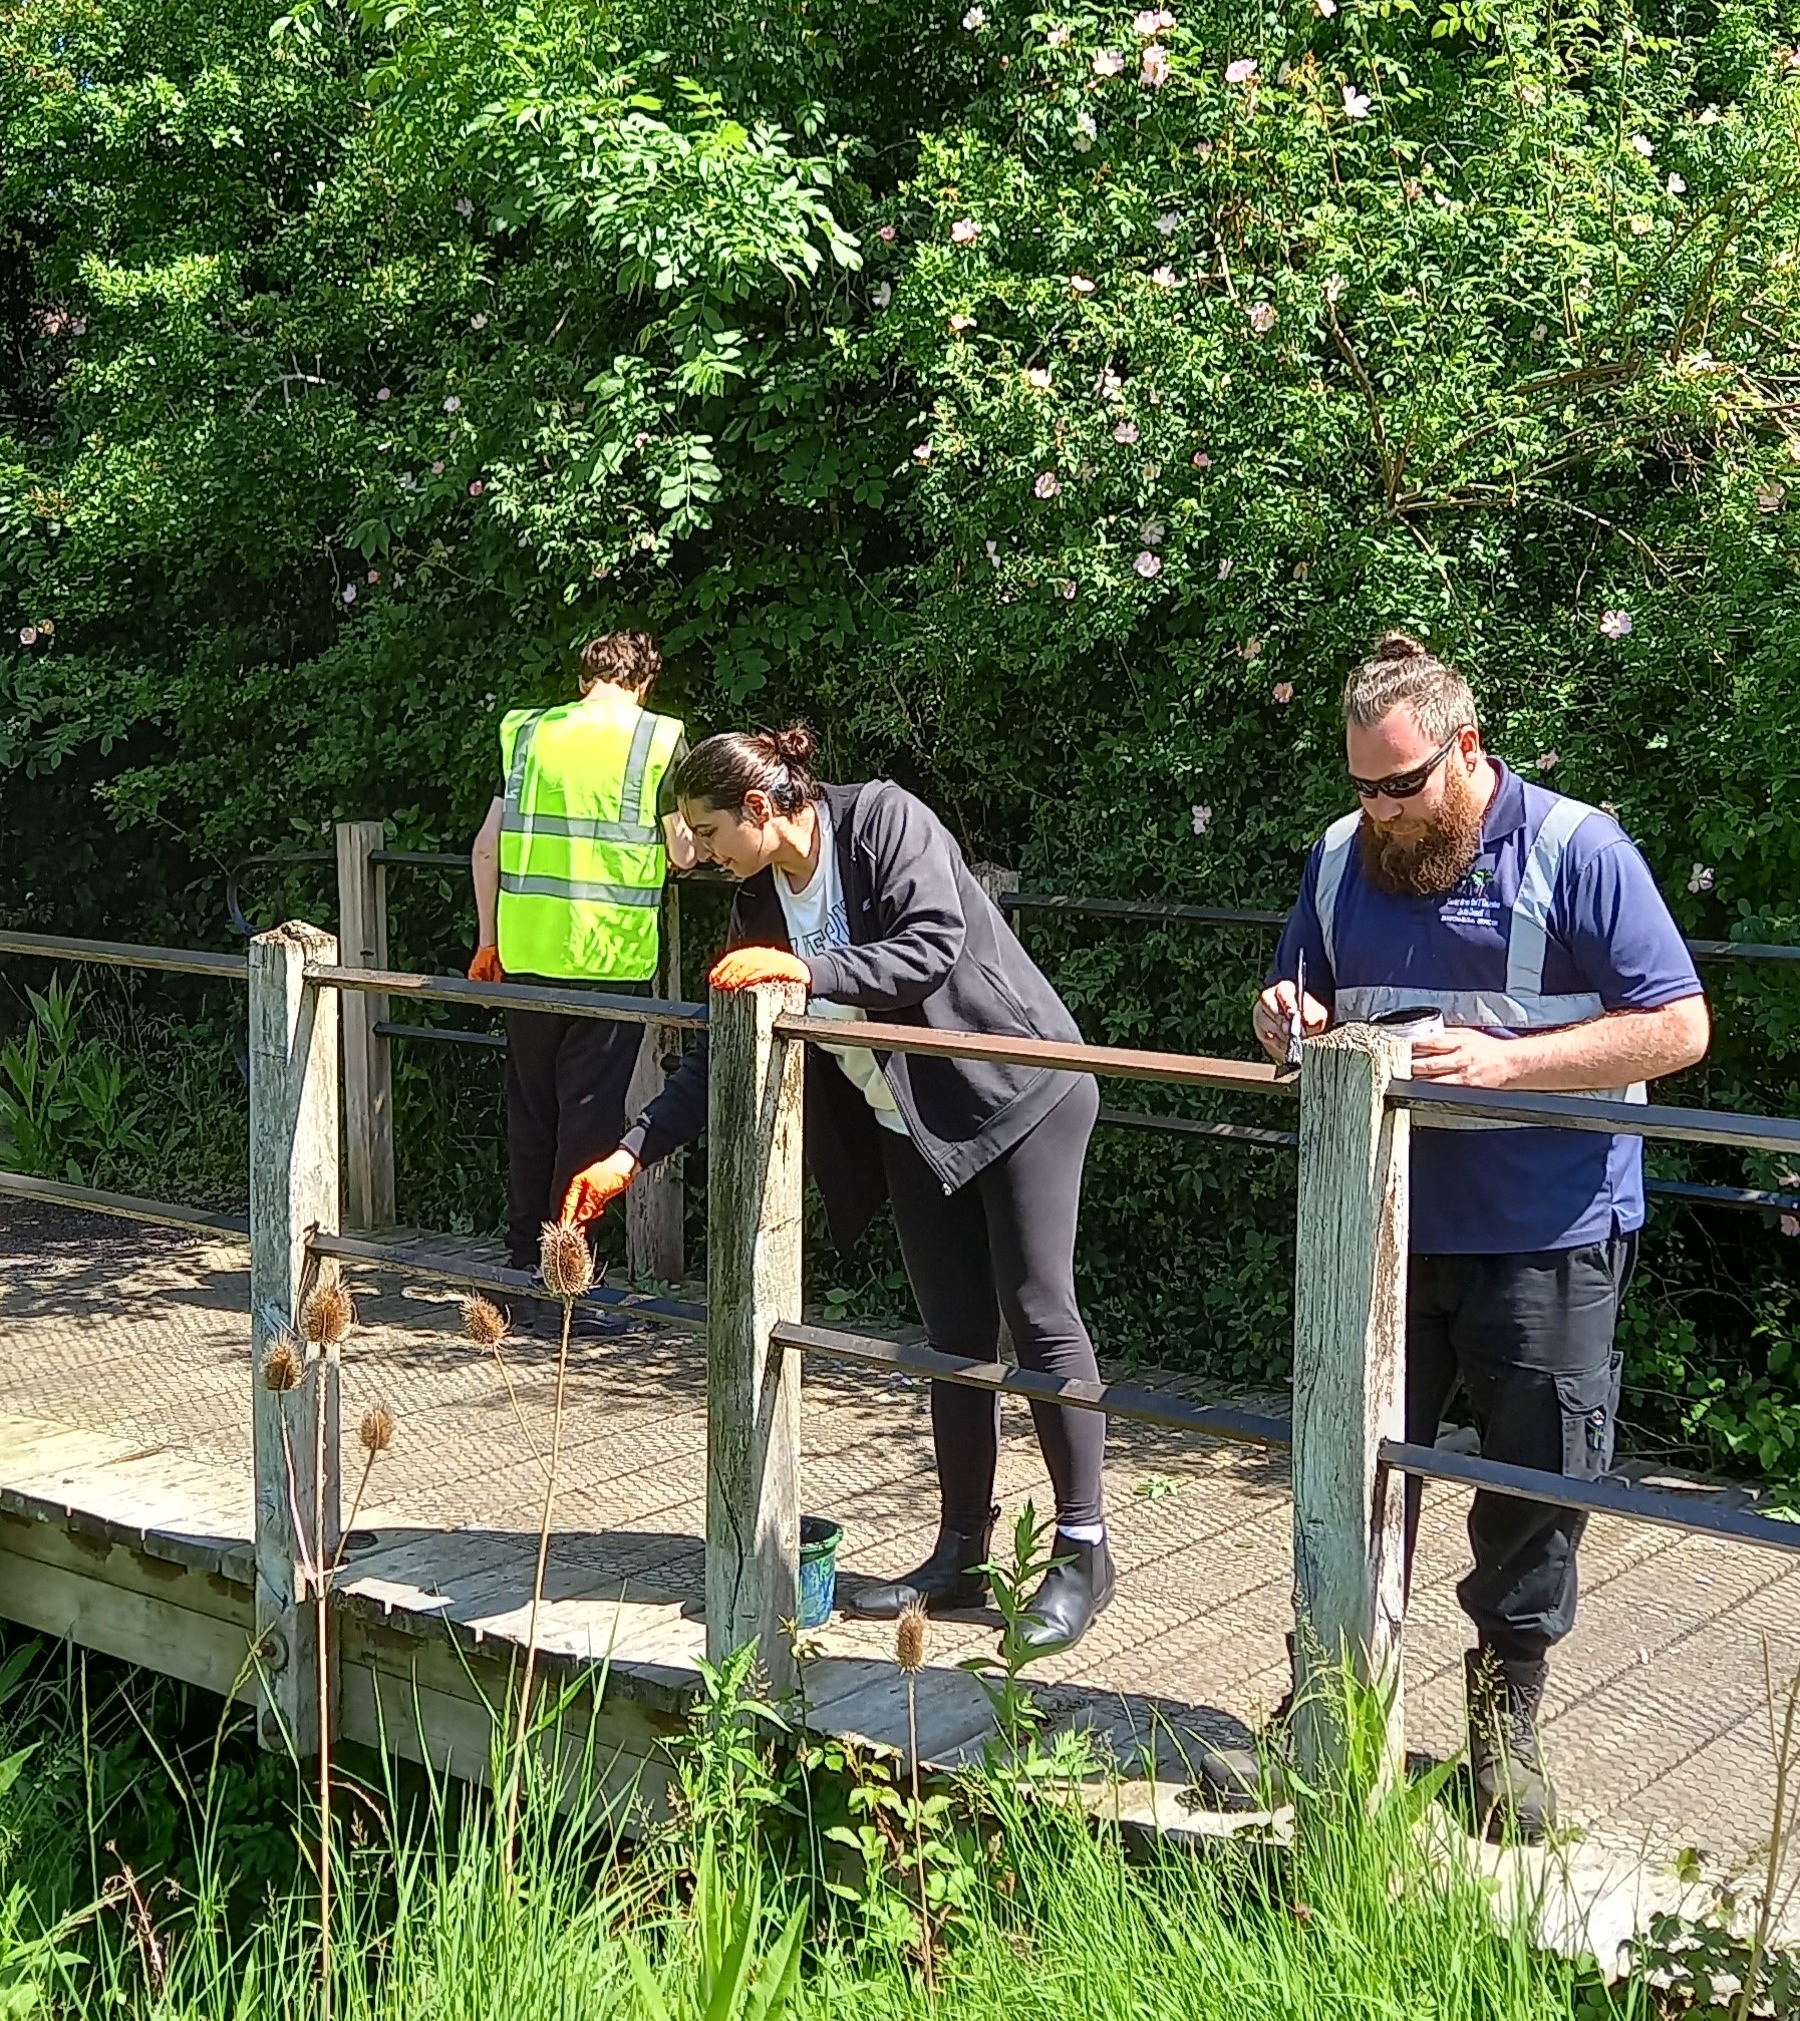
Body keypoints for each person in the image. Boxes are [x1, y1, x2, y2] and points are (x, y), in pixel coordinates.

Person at [1253, 634, 1709, 1835]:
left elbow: (1677, 1028)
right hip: (1380, 1222)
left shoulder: (1578, 850)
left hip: (1546, 1229)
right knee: (1350, 1470)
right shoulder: (1342, 857)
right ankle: (1327, 1706)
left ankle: (1504, 1727)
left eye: (1404, 785)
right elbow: (1303, 1003)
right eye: (1362, 785)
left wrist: (1512, 1065)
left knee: (1530, 1485)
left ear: (1467, 750)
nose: (1383, 810)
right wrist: (1279, 1016)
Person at [559, 725, 1115, 1652]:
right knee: (953, 1339)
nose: (697, 851)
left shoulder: (885, 820)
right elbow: (724, 1044)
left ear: (761, 810)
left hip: (1021, 1091)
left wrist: (807, 969)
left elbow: (930, 948)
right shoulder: (757, 897)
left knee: (1038, 1312)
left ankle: (1083, 1552)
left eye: (706, 828)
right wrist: (629, 1153)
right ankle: (964, 1553)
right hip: (911, 1118)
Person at [468, 630, 694, 1296]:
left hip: (528, 955)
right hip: (609, 959)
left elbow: (488, 847)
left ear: (583, 679)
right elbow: (682, 851)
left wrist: (489, 941)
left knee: (532, 1113)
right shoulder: (657, 739)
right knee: (589, 1124)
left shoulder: (529, 733)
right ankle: (565, 1281)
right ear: (644, 682)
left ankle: (520, 1261)